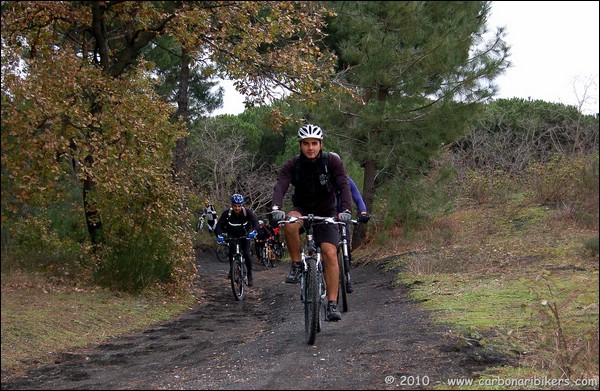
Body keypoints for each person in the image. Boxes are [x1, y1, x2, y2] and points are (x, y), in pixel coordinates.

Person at [271, 124, 353, 321]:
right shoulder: (293, 165)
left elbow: (343, 184)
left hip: (327, 211)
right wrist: (276, 208)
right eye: (306, 143)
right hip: (302, 208)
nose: (310, 147)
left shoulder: (331, 162)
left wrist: (347, 210)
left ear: (321, 144)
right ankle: (297, 264)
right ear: (300, 145)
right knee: (289, 224)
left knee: (330, 253)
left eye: (314, 143)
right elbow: (281, 185)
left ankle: (332, 304)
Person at [329, 152, 371, 294]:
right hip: (328, 216)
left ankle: (347, 276)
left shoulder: (347, 180)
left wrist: (363, 212)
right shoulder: (324, 181)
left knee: (346, 241)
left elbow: (357, 198)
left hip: (343, 216)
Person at [214, 193, 259, 287]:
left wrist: (254, 232)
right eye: (235, 206)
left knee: (246, 253)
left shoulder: (247, 212)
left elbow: (255, 222)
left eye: (239, 206)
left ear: (242, 205)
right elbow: (219, 226)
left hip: (245, 235)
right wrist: (219, 235)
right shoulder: (227, 213)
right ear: (232, 205)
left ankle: (250, 274)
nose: (237, 208)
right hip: (232, 235)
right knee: (231, 251)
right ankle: (232, 268)